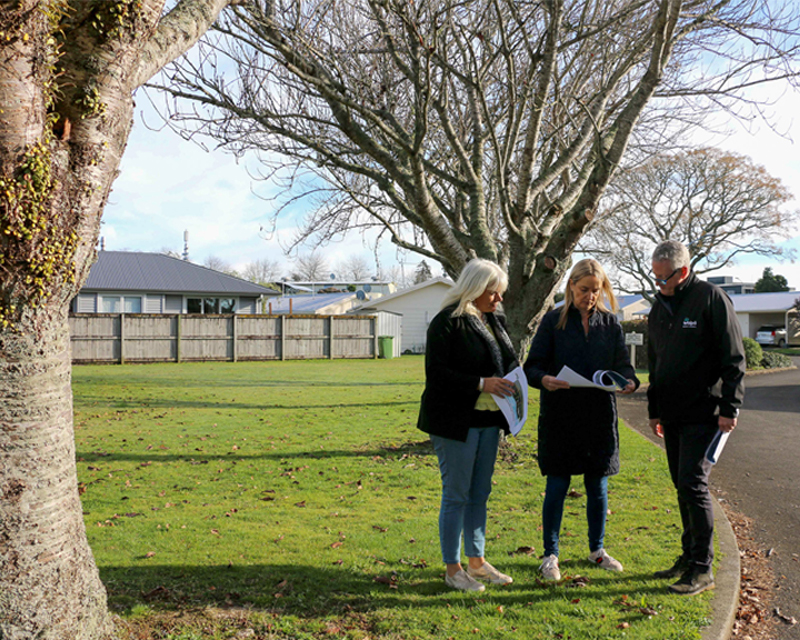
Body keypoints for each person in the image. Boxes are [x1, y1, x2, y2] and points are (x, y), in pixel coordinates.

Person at [524, 259, 638, 582]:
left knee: (597, 487)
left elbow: (623, 367)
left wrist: (630, 382)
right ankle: (550, 555)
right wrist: (544, 379)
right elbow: (532, 367)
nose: (589, 296)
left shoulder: (611, 324)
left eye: (596, 290)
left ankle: (597, 551)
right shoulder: (552, 322)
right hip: (561, 417)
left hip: (599, 418)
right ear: (571, 285)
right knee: (557, 486)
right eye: (584, 289)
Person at [647, 240, 745, 596]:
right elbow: (656, 365)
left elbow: (733, 357)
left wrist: (730, 407)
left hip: (705, 412)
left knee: (692, 483)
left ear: (683, 271)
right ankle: (689, 558)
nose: (658, 283)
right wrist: (654, 411)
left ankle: (703, 569)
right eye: (654, 276)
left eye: (662, 277)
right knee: (681, 485)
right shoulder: (659, 307)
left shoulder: (710, 298)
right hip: (671, 414)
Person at [417, 258, 519, 592]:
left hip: (490, 422)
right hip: (454, 423)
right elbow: (437, 374)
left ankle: (477, 562)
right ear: (475, 288)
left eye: (500, 293)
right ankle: (453, 569)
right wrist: (481, 383)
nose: (498, 299)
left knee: (480, 494)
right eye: (494, 292)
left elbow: (508, 359)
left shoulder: (493, 320)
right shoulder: (447, 322)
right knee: (457, 495)